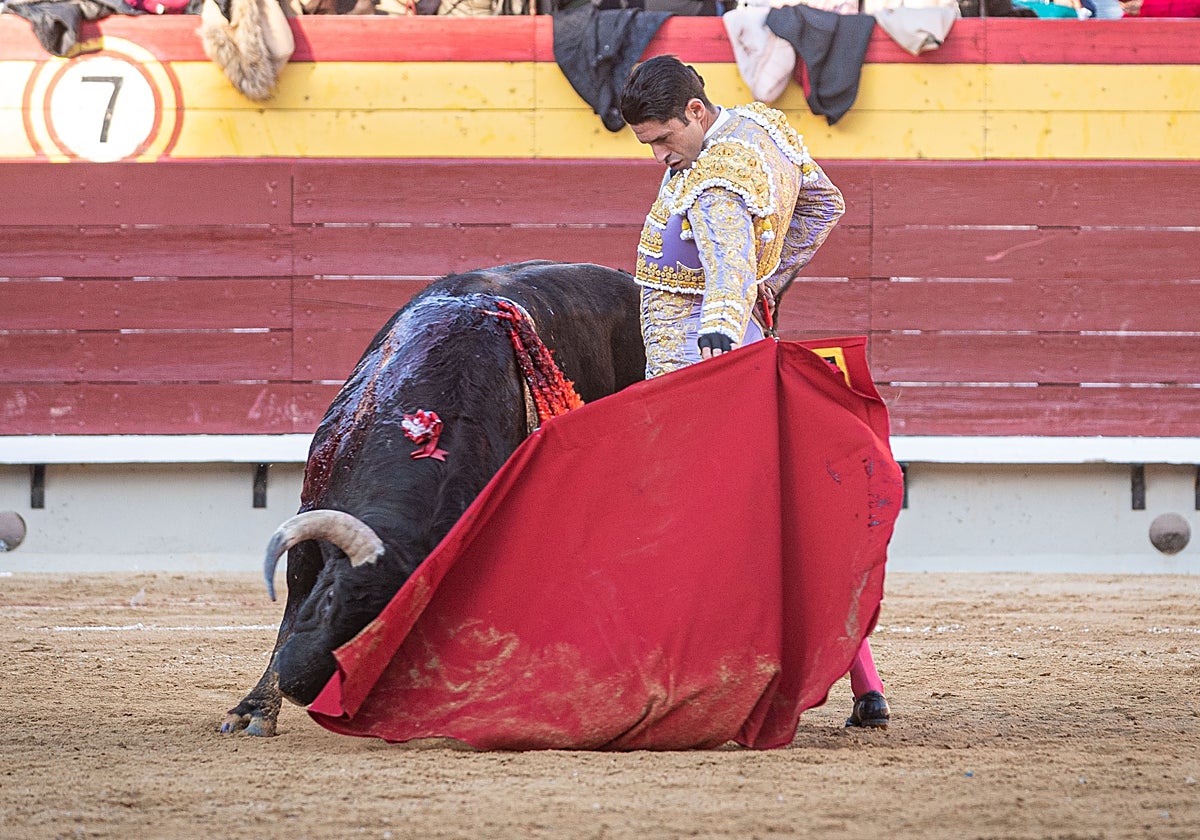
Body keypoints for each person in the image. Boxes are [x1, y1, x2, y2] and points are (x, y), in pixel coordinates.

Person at [619, 54, 892, 730]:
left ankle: (702, 679)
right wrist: (775, 280)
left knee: (702, 525)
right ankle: (866, 682)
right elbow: (826, 204)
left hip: (699, 355)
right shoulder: (763, 126)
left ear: (694, 112)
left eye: (662, 137)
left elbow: (729, 269)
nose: (658, 154)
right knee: (786, 519)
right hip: (747, 339)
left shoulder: (714, 177)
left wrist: (718, 333)